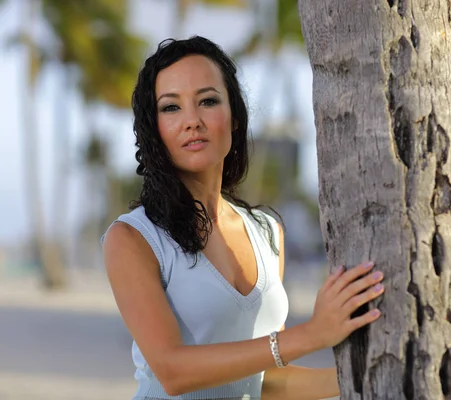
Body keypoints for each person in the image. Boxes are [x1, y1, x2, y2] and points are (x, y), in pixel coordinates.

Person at [102, 36, 385, 400]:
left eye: (207, 101)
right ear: (154, 129)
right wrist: (312, 334)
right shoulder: (133, 239)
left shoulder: (268, 233)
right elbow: (172, 371)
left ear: (234, 117)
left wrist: (366, 378)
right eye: (171, 108)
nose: (192, 121)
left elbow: (268, 381)